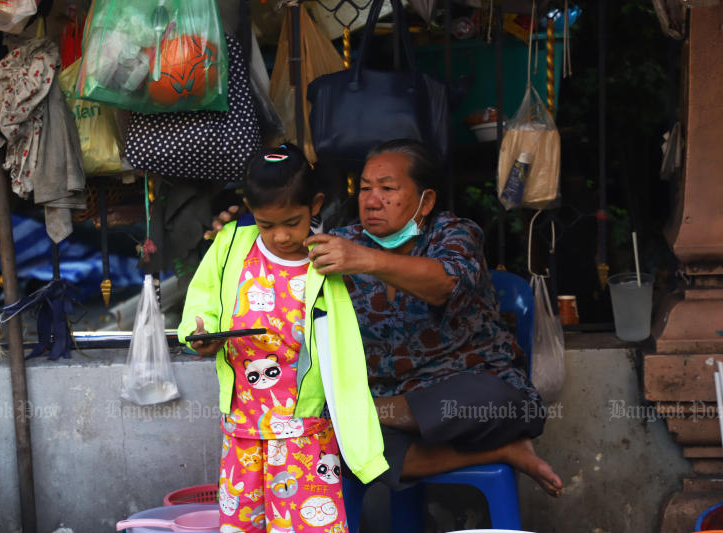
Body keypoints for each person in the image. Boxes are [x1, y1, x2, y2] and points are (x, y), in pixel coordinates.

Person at [204, 139, 562, 497]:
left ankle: (373, 413)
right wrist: (244, 244)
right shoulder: (338, 243)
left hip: (459, 398)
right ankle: (501, 450)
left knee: (492, 400)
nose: (372, 200)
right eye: (364, 188)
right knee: (326, 447)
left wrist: (365, 260)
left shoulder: (455, 234)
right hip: (382, 401)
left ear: (427, 201)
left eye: (387, 189)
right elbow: (279, 264)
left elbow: (445, 284)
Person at [178, 143, 388, 532]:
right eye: (266, 224)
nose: (280, 236)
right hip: (242, 431)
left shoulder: (326, 258)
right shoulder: (230, 247)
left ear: (316, 205)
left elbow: (345, 350)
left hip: (304, 433)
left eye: (292, 222)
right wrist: (199, 332)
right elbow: (201, 301)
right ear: (250, 211)